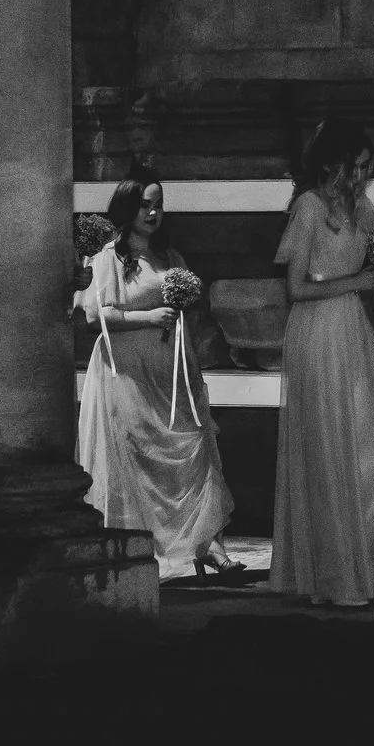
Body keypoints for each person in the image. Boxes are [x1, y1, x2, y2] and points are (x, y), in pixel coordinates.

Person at [269, 117, 374, 607]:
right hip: (317, 333)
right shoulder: (309, 208)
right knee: (330, 450)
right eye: (359, 166)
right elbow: (295, 288)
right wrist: (355, 282)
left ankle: (373, 564)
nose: (365, 175)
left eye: (369, 167)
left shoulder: (362, 207)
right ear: (337, 164)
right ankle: (336, 575)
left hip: (351, 330)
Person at [75, 168, 242, 577]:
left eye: (158, 206)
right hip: (127, 374)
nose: (153, 213)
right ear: (128, 209)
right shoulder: (110, 257)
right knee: (135, 458)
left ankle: (209, 545)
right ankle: (131, 549)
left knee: (195, 448)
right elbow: (95, 315)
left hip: (171, 370)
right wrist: (149, 317)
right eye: (145, 206)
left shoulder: (170, 258)